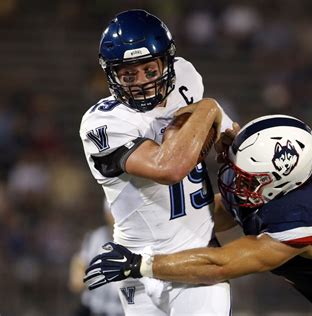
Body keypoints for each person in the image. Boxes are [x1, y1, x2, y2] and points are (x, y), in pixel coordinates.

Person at [84, 114, 312, 316]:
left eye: (245, 177)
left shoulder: (299, 217)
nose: (232, 179)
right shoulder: (277, 181)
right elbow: (216, 210)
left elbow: (220, 264)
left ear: (276, 184)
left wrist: (142, 263)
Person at [79, 9, 238, 316]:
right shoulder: (102, 123)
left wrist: (231, 135)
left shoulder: (186, 77)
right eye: (128, 75)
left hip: (195, 256)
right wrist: (210, 108)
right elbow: (170, 168)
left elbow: (224, 131)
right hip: (134, 267)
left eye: (149, 71)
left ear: (166, 63)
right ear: (111, 75)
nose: (142, 83)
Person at [69, 199, 124, 316]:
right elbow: (77, 280)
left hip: (120, 310)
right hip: (92, 307)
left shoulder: (136, 242)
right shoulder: (94, 237)